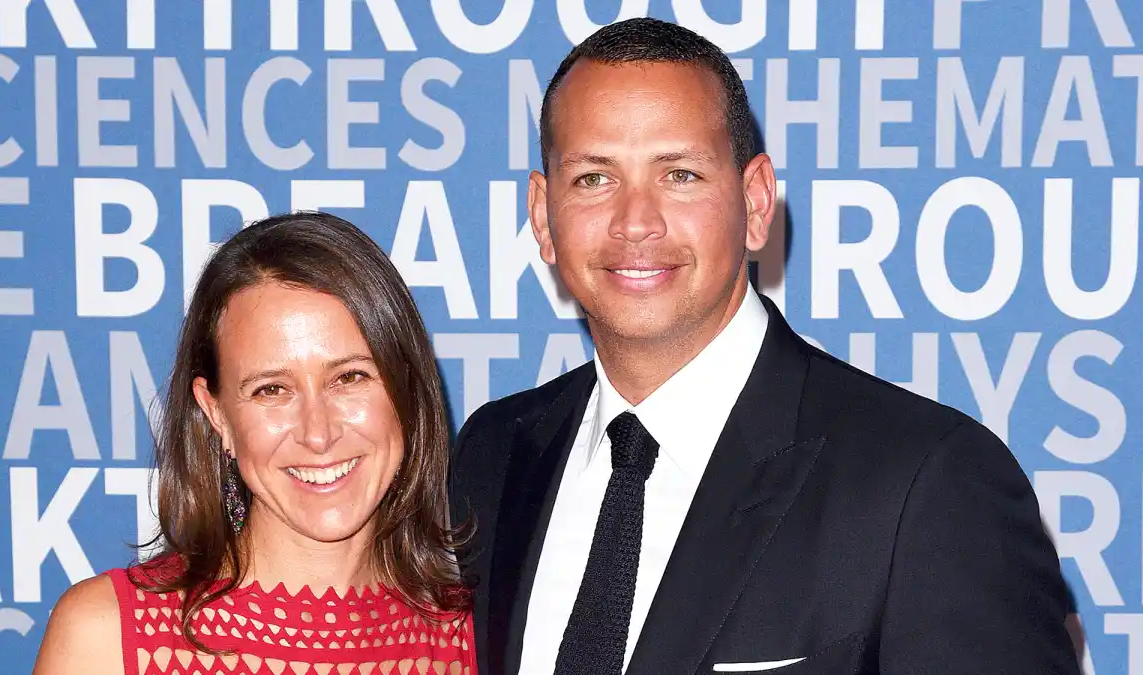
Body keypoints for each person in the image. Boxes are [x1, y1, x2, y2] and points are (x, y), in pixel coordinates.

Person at [448, 17, 1079, 675]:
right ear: (542, 216)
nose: (636, 221)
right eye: (594, 179)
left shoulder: (927, 483)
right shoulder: (493, 456)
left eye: (680, 174)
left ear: (754, 203)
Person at [34, 212, 477, 674]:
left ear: (406, 392)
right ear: (217, 414)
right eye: (272, 389)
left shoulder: (471, 640)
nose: (318, 433)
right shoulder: (106, 637)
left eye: (350, 377)